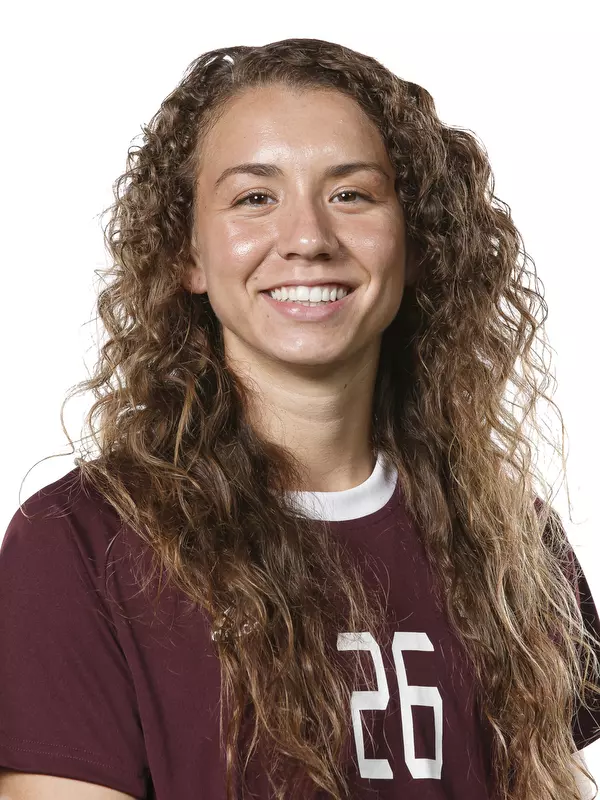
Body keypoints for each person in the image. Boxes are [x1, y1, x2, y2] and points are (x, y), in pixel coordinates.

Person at [0, 37, 599, 800]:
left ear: (415, 243)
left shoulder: (515, 547)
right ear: (187, 252)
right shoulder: (81, 546)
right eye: (255, 197)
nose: (309, 238)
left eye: (351, 194)